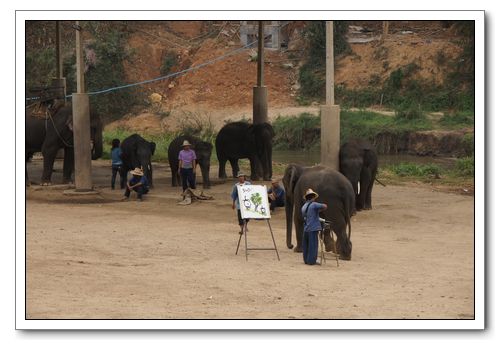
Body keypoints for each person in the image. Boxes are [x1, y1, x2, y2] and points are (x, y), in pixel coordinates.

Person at [301, 188, 327, 265]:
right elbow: (325, 206)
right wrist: (320, 210)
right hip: (313, 228)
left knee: (306, 245)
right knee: (313, 245)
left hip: (306, 228)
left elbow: (308, 214)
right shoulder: (314, 204)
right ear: (313, 197)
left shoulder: (304, 206)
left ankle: (306, 260)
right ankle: (311, 261)